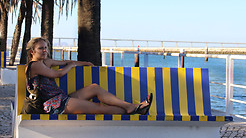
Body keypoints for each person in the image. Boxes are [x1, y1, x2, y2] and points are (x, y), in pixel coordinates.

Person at [25, 37, 153, 115]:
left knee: (94, 88)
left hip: (61, 98)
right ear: (32, 52)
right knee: (99, 108)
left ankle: (130, 107)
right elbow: (58, 73)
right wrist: (72, 65)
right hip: (54, 105)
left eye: (46, 47)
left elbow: (65, 62)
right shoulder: (34, 65)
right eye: (41, 48)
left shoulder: (46, 62)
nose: (45, 50)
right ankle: (135, 109)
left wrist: (85, 63)